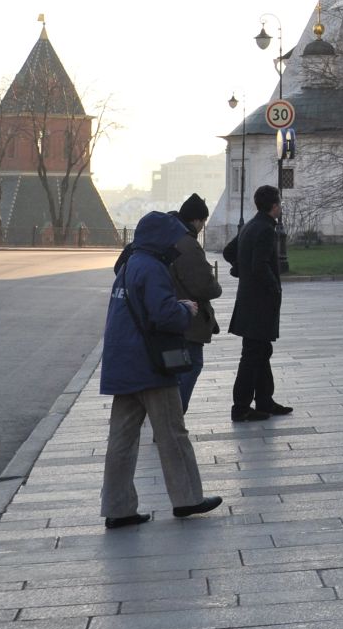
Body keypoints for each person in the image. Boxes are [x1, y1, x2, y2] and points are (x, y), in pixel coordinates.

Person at [99, 211, 223, 528]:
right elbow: (163, 314)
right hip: (150, 365)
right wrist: (185, 308)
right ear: (160, 239)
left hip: (121, 364)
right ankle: (187, 499)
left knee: (122, 440)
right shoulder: (152, 268)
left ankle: (118, 507)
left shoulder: (128, 265)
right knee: (172, 433)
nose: (175, 244)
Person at [228, 185, 292, 423]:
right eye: (279, 204)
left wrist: (239, 267)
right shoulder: (265, 229)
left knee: (261, 351)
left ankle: (265, 399)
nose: (280, 208)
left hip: (248, 301)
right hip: (259, 303)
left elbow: (228, 252)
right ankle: (241, 406)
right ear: (274, 206)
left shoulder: (250, 226)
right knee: (253, 354)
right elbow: (260, 265)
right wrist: (274, 286)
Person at [169, 193, 222, 411]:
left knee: (176, 368)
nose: (202, 227)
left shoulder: (171, 236)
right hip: (188, 319)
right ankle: (173, 419)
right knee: (191, 365)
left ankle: (168, 420)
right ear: (196, 220)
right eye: (203, 222)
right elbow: (202, 285)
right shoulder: (188, 244)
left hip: (173, 315)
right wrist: (216, 286)